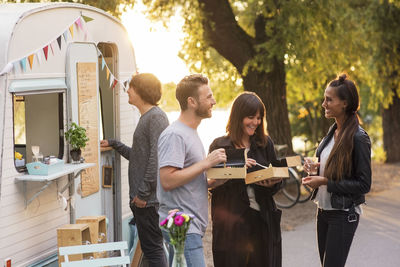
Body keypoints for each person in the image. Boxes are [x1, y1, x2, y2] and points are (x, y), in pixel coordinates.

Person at [302, 73, 371, 267]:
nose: (323, 104)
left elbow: (364, 184)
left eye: (329, 99)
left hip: (343, 214)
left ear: (345, 103)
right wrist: (314, 170)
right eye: (324, 98)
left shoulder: (359, 138)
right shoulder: (331, 133)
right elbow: (329, 169)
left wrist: (324, 182)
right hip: (323, 211)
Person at [157, 74, 227, 267]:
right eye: (209, 97)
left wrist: (215, 181)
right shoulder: (175, 135)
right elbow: (167, 180)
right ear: (192, 102)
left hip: (189, 228)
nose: (213, 101)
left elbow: (187, 180)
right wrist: (206, 163)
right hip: (182, 227)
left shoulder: (190, 133)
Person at [208, 92, 285, 267]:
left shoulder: (265, 144)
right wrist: (236, 171)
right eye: (251, 117)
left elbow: (277, 177)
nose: (255, 122)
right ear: (238, 116)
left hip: (262, 220)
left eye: (259, 118)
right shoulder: (219, 146)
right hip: (231, 225)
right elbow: (211, 182)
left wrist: (272, 182)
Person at [100, 73, 168, 267]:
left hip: (148, 200)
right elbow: (140, 157)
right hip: (142, 199)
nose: (127, 90)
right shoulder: (146, 117)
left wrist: (143, 193)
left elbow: (156, 159)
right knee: (149, 249)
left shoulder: (156, 117)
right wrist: (114, 144)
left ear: (141, 91)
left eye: (131, 87)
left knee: (154, 250)